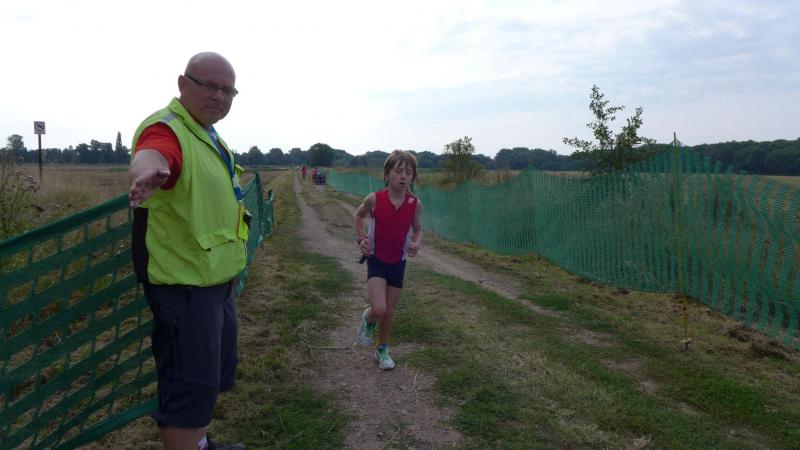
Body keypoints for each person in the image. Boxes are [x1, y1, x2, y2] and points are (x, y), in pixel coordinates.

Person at [128, 52, 247, 450]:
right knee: (188, 388)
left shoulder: (208, 135)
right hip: (184, 287)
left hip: (213, 280)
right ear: (182, 84)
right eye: (209, 86)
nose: (219, 96)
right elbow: (155, 153)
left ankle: (200, 443)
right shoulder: (168, 129)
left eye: (228, 90)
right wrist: (148, 171)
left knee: (205, 381)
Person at [354, 150, 423, 370]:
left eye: (408, 173)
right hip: (376, 259)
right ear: (387, 174)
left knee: (390, 311)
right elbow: (359, 215)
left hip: (398, 262)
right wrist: (361, 239)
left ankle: (382, 349)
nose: (403, 176)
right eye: (398, 171)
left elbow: (418, 230)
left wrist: (416, 243)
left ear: (413, 177)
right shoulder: (374, 199)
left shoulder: (414, 204)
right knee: (380, 309)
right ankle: (369, 317)